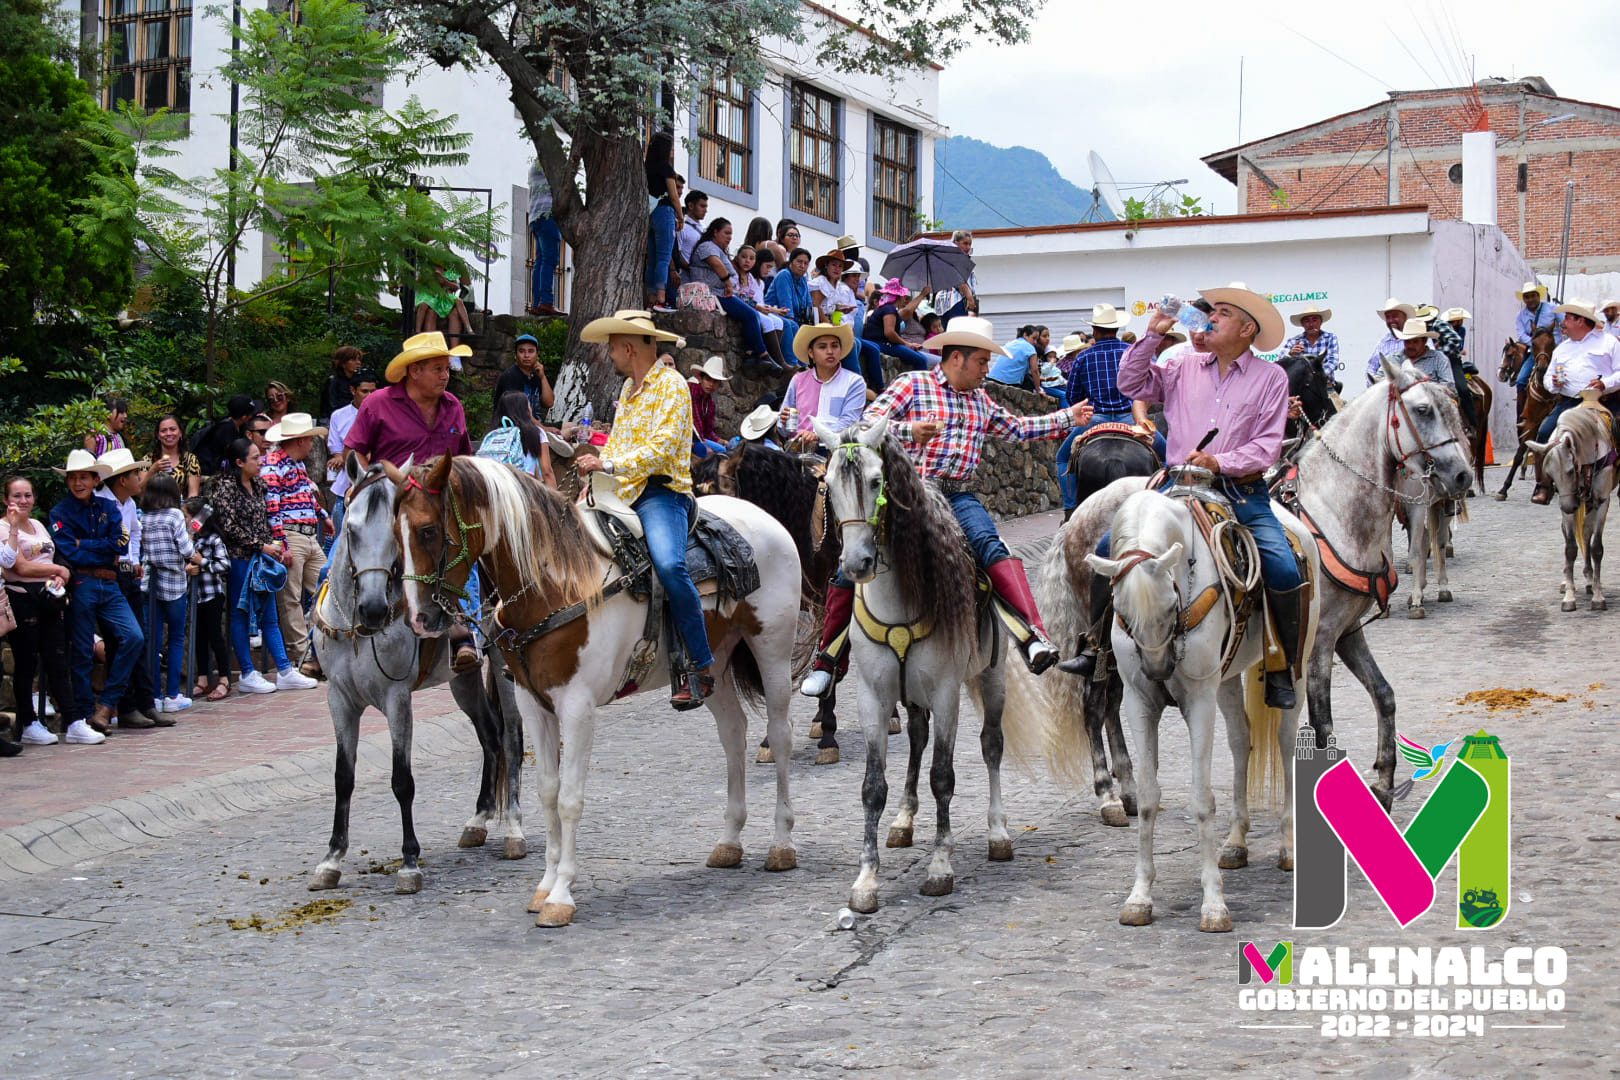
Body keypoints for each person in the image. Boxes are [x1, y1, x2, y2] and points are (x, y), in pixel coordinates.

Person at [800, 317, 1094, 698]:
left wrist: (1068, 417)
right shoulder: (912, 385)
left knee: (992, 547)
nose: (987, 370)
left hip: (958, 494)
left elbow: (1018, 428)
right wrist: (910, 431)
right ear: (957, 358)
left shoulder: (982, 400)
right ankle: (827, 659)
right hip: (908, 493)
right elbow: (865, 425)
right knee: (854, 560)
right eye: (982, 362)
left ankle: (1031, 636)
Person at [1061, 284, 1306, 711]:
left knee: (1283, 566)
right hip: (1174, 484)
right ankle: (1097, 648)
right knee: (1107, 551)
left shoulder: (1273, 378)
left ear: (1247, 329)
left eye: (1223, 313)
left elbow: (1267, 448)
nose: (1210, 318)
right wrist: (1152, 335)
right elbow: (1131, 381)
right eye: (1211, 311)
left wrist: (1219, 461)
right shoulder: (1180, 365)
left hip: (1239, 489)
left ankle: (1282, 663)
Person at [575, 311, 714, 708]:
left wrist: (608, 465)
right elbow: (618, 445)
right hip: (621, 490)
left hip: (661, 494)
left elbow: (665, 449)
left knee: (670, 565)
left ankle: (699, 663)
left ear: (629, 347)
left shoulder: (671, 385)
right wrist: (597, 470)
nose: (610, 355)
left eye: (612, 348)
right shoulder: (628, 388)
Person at [345, 331, 478, 669]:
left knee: (467, 558)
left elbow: (463, 459)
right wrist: (362, 487)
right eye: (437, 368)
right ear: (414, 371)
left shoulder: (453, 406)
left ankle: (467, 633)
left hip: (440, 504)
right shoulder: (378, 403)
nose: (445, 375)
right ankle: (322, 638)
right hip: (391, 500)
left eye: (446, 368)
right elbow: (356, 450)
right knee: (342, 553)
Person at [209, 438, 317, 695]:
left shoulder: (258, 485)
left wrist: (273, 544)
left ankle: (284, 669)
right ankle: (247, 671)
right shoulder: (224, 488)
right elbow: (229, 527)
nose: (260, 462)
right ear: (239, 462)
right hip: (240, 559)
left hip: (262, 559)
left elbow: (268, 517)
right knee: (240, 612)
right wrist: (261, 545)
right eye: (255, 458)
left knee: (269, 613)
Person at [48, 450, 140, 742]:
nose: (78, 483)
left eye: (83, 477)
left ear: (95, 479)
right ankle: (87, 713)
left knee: (134, 637)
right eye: (73, 478)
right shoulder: (59, 512)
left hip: (110, 582)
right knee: (82, 650)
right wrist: (100, 546)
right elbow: (68, 551)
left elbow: (121, 545)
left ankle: (107, 704)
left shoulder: (108, 507)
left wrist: (85, 543)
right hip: (82, 582)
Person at [1054, 304, 1163, 518]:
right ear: (1117, 329)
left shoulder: (1083, 357)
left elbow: (1073, 396)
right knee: (1169, 458)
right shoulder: (1131, 353)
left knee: (1062, 459)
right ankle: (1165, 502)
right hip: (1132, 420)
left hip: (1096, 419)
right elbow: (1151, 384)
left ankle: (1070, 509)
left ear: (1095, 330)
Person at [95, 448, 167, 729]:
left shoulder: (127, 504)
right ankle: (125, 706)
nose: (141, 478)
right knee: (122, 641)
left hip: (129, 575)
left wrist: (134, 559)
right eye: (136, 474)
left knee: (141, 638)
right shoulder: (103, 504)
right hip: (111, 577)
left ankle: (145, 702)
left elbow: (135, 531)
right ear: (122, 480)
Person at [3, 476, 76, 747]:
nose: (23, 501)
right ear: (6, 499)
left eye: (28, 495)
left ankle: (73, 720)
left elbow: (50, 555)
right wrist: (57, 570)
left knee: (57, 658)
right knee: (26, 662)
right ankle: (29, 722)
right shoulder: (3, 528)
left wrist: (61, 573)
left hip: (49, 597)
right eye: (17, 496)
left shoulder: (38, 525)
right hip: (21, 598)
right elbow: (18, 567)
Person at [261, 412, 332, 671]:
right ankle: (302, 655)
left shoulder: (297, 464)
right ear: (300, 440)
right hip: (291, 533)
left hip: (309, 534)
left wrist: (322, 515)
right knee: (291, 598)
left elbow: (305, 494)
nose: (313, 444)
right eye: (310, 439)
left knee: (326, 587)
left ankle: (319, 648)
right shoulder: (272, 465)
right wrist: (282, 543)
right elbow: (272, 506)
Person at [1531, 299, 1620, 504]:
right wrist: (1553, 383)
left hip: (1603, 401)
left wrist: (1604, 383)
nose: (1564, 323)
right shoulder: (1562, 348)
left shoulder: (1609, 343)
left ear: (1581, 321)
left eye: (1569, 318)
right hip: (1569, 402)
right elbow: (1547, 378)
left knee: (1619, 429)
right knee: (1544, 432)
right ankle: (1543, 485)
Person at [687, 218, 791, 373]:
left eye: (731, 234)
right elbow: (716, 264)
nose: (729, 237)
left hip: (723, 292)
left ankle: (751, 356)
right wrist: (727, 282)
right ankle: (763, 356)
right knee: (750, 315)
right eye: (726, 233)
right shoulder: (707, 246)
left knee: (753, 315)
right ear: (715, 232)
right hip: (715, 293)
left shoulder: (718, 249)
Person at [138, 472, 202, 715]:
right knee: (175, 638)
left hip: (149, 583)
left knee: (151, 642)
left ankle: (153, 695)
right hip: (174, 582)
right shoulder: (174, 515)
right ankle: (172, 694)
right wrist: (199, 559)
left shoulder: (143, 516)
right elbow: (186, 548)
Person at [780, 323, 868, 451]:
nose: (830, 351)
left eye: (835, 346)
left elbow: (849, 422)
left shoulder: (854, 382)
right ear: (811, 353)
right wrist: (783, 421)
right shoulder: (798, 380)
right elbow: (784, 429)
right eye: (822, 347)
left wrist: (817, 435)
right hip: (798, 448)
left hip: (836, 450)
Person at [325, 368, 378, 541]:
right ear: (353, 390)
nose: (369, 395)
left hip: (378, 481)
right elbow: (337, 450)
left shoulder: (383, 414)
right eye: (364, 391)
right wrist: (340, 456)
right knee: (341, 537)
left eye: (373, 391)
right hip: (347, 485)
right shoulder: (339, 416)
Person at [862, 279, 932, 377]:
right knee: (921, 360)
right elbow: (889, 333)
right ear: (899, 297)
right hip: (881, 344)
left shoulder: (885, 307)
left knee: (920, 357)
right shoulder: (889, 309)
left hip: (880, 342)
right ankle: (920, 387)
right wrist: (908, 344)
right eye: (904, 296)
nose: (905, 299)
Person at [734, 245, 792, 363]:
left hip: (756, 308)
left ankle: (774, 358)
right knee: (768, 321)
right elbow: (741, 296)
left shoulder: (757, 281)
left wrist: (775, 310)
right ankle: (772, 359)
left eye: (751, 258)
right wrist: (773, 310)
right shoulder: (740, 275)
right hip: (748, 308)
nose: (769, 271)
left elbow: (760, 303)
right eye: (767, 266)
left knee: (779, 322)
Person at [486, 390, 558, 485]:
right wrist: (554, 498)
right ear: (525, 410)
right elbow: (547, 472)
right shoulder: (536, 433)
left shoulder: (493, 433)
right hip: (524, 488)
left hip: (496, 487)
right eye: (528, 405)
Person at [645, 132, 683, 313]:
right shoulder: (666, 169)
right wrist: (681, 216)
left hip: (649, 214)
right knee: (663, 257)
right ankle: (661, 298)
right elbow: (674, 196)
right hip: (664, 211)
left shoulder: (646, 168)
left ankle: (651, 298)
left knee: (652, 259)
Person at [526, 161, 565, 317]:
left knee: (540, 261)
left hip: (535, 216)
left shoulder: (534, 167)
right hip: (547, 214)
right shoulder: (550, 165)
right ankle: (546, 302)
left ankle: (536, 303)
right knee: (550, 260)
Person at [764, 247, 815, 356]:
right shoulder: (784, 275)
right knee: (792, 325)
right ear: (791, 262)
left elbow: (809, 305)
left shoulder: (803, 280)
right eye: (799, 262)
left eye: (806, 263)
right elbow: (786, 307)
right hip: (774, 312)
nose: (802, 266)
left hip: (794, 318)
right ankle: (793, 364)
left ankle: (805, 365)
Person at [495, 333, 557, 423]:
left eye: (531, 351)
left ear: (537, 354)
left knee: (570, 427)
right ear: (515, 355)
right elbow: (519, 414)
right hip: (514, 428)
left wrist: (543, 377)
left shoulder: (536, 374)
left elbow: (549, 403)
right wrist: (544, 429)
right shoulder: (510, 376)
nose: (526, 355)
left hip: (534, 427)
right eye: (521, 351)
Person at [192, 394, 259, 475]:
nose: (252, 417)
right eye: (251, 414)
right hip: (207, 472)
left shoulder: (238, 427)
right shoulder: (225, 429)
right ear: (244, 417)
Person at [147, 413, 202, 499]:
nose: (168, 433)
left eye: (172, 429)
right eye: (163, 430)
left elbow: (193, 494)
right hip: (152, 510)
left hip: (180, 509)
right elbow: (140, 493)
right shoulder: (147, 460)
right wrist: (152, 470)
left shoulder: (190, 459)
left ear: (180, 433)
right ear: (157, 435)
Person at [1365, 298, 1417, 384]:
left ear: (1404, 317)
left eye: (1395, 316)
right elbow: (1371, 368)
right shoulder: (1383, 343)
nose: (1391, 320)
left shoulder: (1417, 338)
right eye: (1388, 317)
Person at [687, 356, 731, 456]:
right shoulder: (692, 391)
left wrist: (722, 441)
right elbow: (696, 425)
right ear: (701, 379)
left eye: (715, 382)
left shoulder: (710, 403)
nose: (711, 384)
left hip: (699, 438)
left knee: (724, 450)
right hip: (687, 436)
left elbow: (708, 431)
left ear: (719, 384)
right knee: (719, 452)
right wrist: (705, 445)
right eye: (708, 379)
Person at [1390, 319, 1454, 386]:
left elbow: (1449, 387)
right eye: (1407, 341)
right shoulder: (1394, 359)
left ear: (1424, 341)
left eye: (1415, 342)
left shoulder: (1438, 358)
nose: (1410, 346)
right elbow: (1379, 380)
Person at [1281, 304, 1340, 377]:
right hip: (1301, 385)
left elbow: (1332, 361)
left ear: (1321, 322)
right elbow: (1281, 361)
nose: (1311, 324)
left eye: (1314, 320)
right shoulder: (1293, 341)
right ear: (1302, 324)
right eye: (1307, 321)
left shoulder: (1330, 338)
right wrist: (1290, 354)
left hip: (1326, 384)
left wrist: (1316, 375)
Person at [933, 230, 979, 320]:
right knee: (959, 331)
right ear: (956, 244)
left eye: (969, 244)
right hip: (956, 301)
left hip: (943, 304)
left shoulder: (945, 259)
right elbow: (960, 282)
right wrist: (970, 298)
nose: (968, 247)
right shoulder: (956, 259)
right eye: (965, 243)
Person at [992, 325, 1044, 390]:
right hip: (1007, 383)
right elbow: (1035, 370)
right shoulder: (1030, 347)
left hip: (992, 378)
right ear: (1025, 335)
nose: (1035, 342)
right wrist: (1038, 389)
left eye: (1037, 339)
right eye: (1033, 338)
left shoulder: (1011, 343)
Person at [674, 189, 709, 284]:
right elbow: (677, 252)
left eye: (706, 207)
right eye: (702, 206)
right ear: (691, 206)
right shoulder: (681, 227)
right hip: (686, 277)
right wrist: (692, 268)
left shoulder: (704, 228)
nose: (706, 210)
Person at [321, 346, 363, 421]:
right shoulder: (333, 381)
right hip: (335, 420)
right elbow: (331, 407)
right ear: (343, 363)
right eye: (353, 360)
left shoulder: (360, 381)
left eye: (359, 359)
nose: (358, 362)